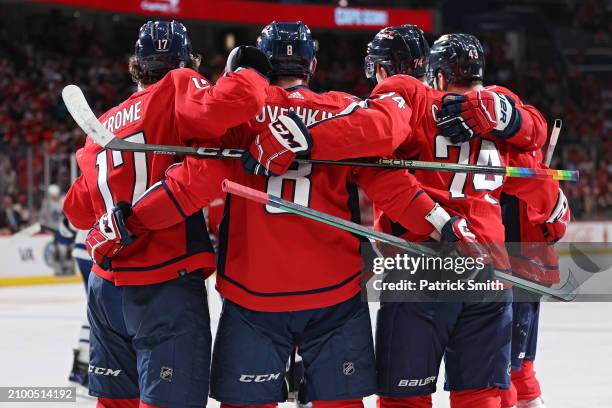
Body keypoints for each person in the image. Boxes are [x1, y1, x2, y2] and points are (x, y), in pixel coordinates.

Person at [96, 21, 482, 408]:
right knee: (341, 404)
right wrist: (440, 222)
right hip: (335, 291)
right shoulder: (344, 110)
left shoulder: (239, 117)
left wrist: (133, 217)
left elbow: (193, 174)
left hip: (254, 293)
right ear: (311, 66)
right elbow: (391, 186)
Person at [246, 25, 567, 408]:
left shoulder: (407, 96)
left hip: (422, 265)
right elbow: (538, 170)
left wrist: (304, 138)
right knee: (481, 395)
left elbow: (373, 142)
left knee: (406, 398)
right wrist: (554, 215)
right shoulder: (496, 113)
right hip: (489, 271)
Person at [63, 20, 271, 408]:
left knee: (114, 404)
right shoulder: (178, 87)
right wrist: (250, 72)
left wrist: (112, 215)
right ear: (186, 61)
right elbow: (230, 110)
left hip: (105, 291)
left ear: (136, 64)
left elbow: (76, 210)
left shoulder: (103, 126)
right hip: (164, 285)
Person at [428, 34, 571, 408]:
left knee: (513, 368)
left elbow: (550, 211)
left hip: (507, 263)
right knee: (509, 369)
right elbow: (553, 211)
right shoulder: (512, 132)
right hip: (508, 264)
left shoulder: (509, 140)